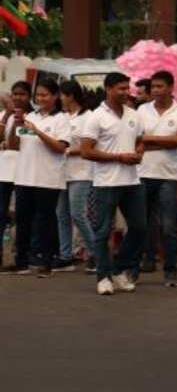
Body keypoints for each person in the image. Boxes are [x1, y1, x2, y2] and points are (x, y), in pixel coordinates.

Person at [81, 72, 148, 296]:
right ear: (108, 89)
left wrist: (139, 151)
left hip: (132, 180)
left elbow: (140, 140)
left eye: (126, 88)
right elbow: (86, 151)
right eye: (120, 88)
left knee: (139, 227)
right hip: (105, 182)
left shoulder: (134, 114)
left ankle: (118, 268)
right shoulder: (96, 116)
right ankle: (103, 277)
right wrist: (119, 157)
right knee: (102, 231)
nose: (125, 92)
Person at [8, 79, 70, 277]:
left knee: (46, 221)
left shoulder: (62, 119)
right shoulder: (29, 116)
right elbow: (14, 144)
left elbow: (60, 147)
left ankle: (46, 262)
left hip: (48, 178)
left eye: (45, 95)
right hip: (24, 176)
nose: (41, 99)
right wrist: (16, 125)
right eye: (38, 95)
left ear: (55, 96)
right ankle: (21, 262)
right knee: (23, 220)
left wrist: (37, 131)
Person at [136, 70, 177, 285]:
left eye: (160, 86)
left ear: (170, 88)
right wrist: (162, 142)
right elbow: (136, 140)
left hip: (168, 175)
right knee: (142, 223)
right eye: (153, 87)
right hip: (143, 173)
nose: (156, 91)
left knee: (169, 225)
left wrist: (148, 142)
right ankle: (146, 261)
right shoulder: (142, 110)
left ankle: (171, 271)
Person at [56, 80, 97, 273]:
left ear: (71, 95)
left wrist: (66, 150)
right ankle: (66, 256)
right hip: (61, 172)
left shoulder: (88, 117)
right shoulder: (63, 116)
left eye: (62, 95)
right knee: (61, 214)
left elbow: (89, 145)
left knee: (78, 214)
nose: (60, 99)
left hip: (81, 171)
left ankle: (96, 254)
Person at [0, 82, 29, 273]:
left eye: (22, 94)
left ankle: (22, 258)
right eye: (15, 94)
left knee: (22, 215)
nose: (18, 97)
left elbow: (23, 142)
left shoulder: (32, 117)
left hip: (24, 171)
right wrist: (5, 119)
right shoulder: (5, 115)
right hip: (4, 171)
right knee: (1, 213)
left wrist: (21, 121)